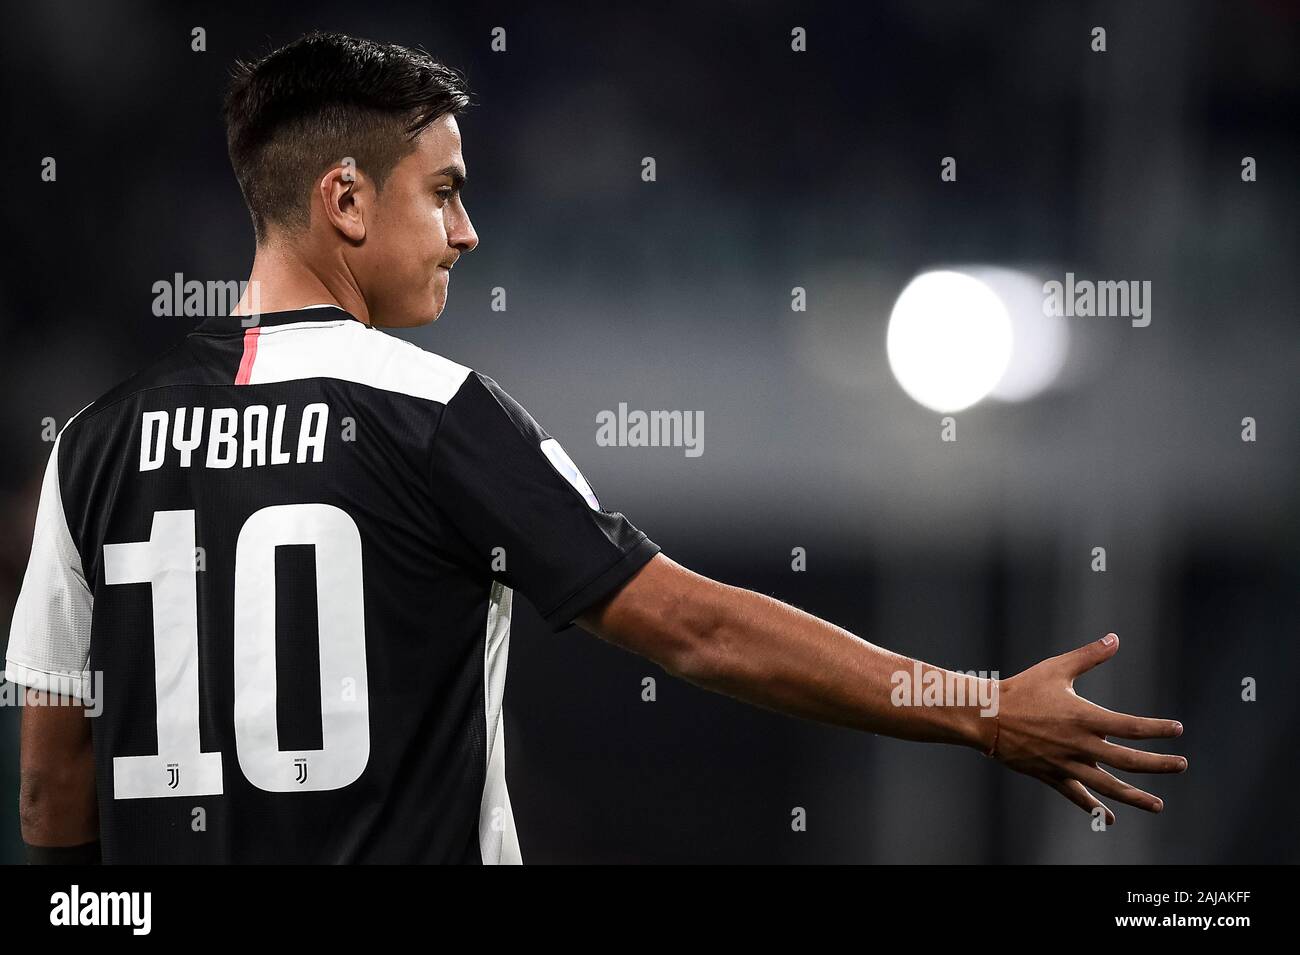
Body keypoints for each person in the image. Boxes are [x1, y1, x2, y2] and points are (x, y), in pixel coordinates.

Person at [7, 32, 1185, 864]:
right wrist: (977, 706)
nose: (469, 232)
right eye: (447, 193)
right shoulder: (438, 414)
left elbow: (53, 778)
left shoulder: (96, 445)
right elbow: (695, 626)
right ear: (347, 203)